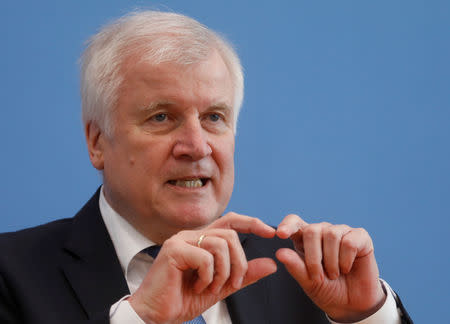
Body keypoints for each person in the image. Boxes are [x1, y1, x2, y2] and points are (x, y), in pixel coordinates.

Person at [0, 11, 412, 324]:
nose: (197, 146)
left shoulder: (301, 277)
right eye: (161, 117)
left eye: (214, 117)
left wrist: (367, 316)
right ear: (96, 142)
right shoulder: (11, 274)